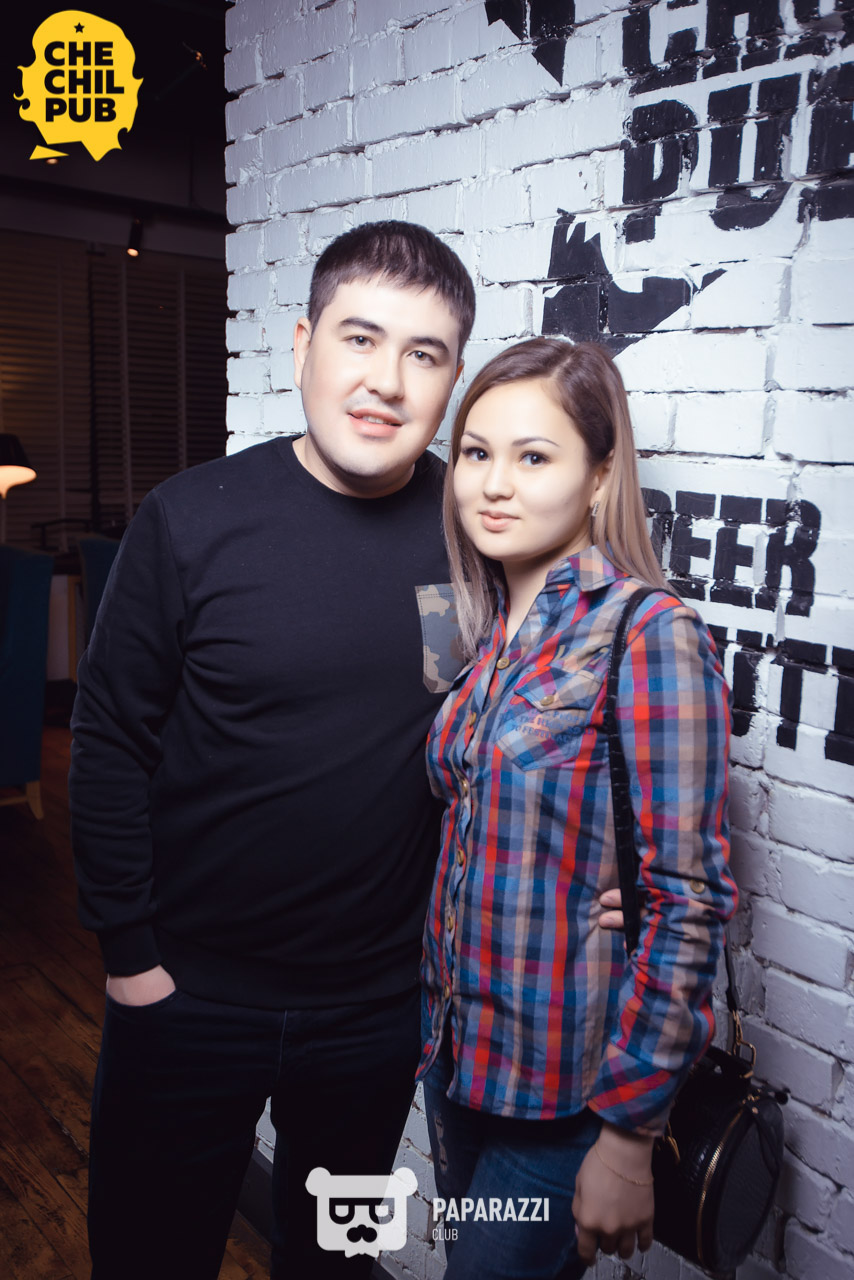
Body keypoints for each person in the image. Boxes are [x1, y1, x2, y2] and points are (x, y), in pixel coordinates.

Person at [69, 221, 475, 1280]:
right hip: (185, 997)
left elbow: (536, 724)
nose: (385, 380)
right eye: (359, 338)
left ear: (451, 381)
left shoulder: (474, 532)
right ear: (302, 346)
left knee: (334, 1265)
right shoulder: (190, 518)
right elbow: (108, 739)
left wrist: (603, 873)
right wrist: (131, 959)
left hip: (375, 1014)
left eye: (423, 354)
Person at [418, 337, 737, 1279]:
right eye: (476, 453)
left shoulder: (648, 631)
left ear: (599, 477)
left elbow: (690, 897)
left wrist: (629, 1136)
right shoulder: (468, 624)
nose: (494, 484)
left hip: (568, 1091)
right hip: (454, 1057)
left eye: (534, 456)